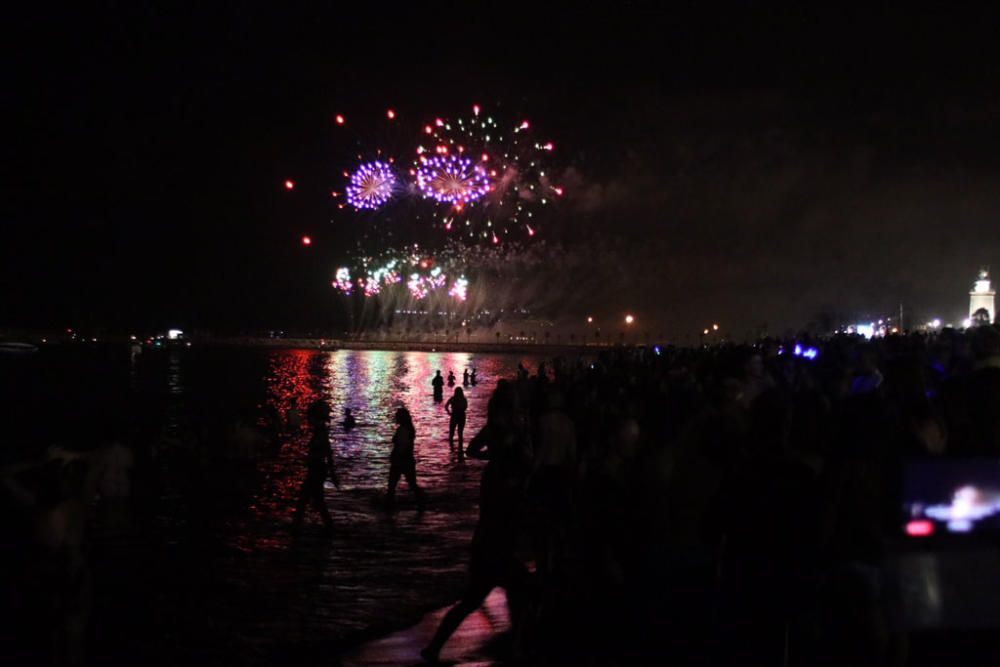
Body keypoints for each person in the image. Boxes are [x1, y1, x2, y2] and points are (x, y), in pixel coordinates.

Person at [422, 415, 530, 662]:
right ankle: (515, 645)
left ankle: (435, 647)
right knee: (511, 594)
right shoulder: (506, 475)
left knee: (477, 599)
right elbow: (509, 510)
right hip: (497, 546)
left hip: (489, 544)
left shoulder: (494, 472)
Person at [293, 400, 339, 532]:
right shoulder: (321, 431)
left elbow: (326, 452)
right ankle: (327, 527)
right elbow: (327, 453)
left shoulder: (320, 433)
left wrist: (332, 472)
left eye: (309, 417)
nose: (308, 420)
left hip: (316, 470)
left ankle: (297, 527)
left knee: (307, 499)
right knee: (315, 500)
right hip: (318, 469)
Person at [388, 407, 424, 510]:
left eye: (397, 415)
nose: (395, 417)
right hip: (408, 459)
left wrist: (394, 457)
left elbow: (401, 446)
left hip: (400, 460)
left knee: (392, 485)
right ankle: (421, 503)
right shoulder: (409, 428)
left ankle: (389, 507)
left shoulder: (402, 430)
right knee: (412, 484)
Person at [445, 387, 469, 451]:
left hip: (454, 415)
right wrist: (461, 409)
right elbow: (465, 407)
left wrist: (449, 412)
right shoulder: (463, 399)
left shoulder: (452, 399)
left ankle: (451, 449)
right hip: (461, 415)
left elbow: (446, 406)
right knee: (460, 432)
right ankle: (460, 449)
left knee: (451, 432)